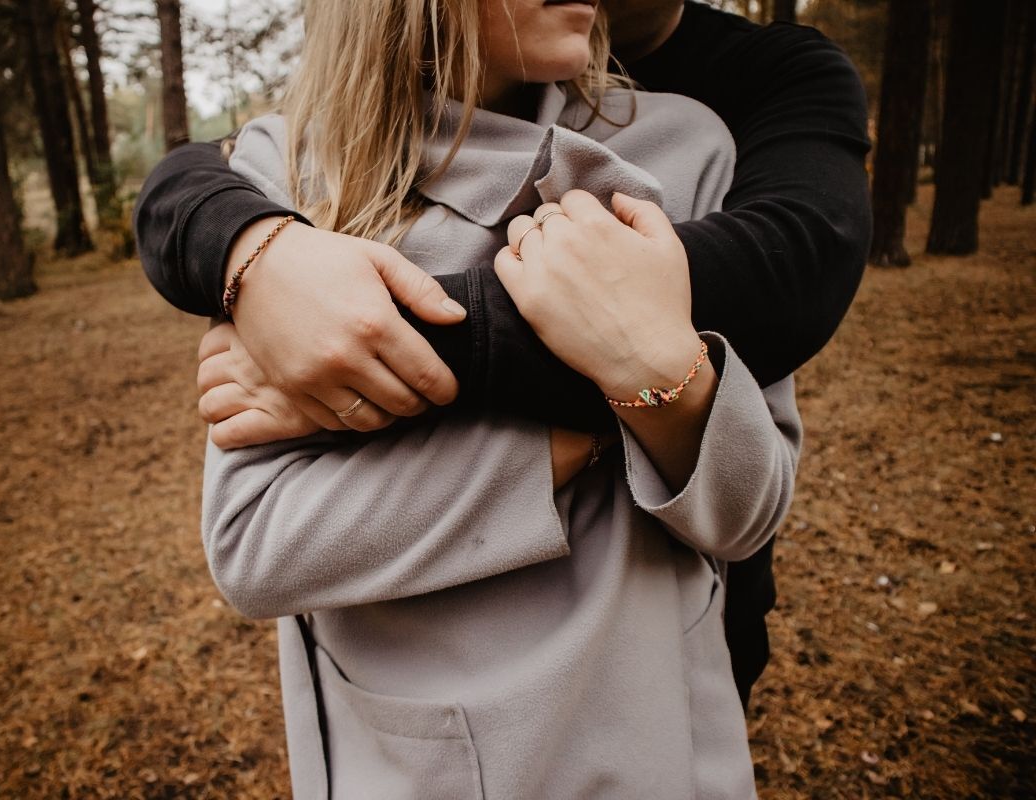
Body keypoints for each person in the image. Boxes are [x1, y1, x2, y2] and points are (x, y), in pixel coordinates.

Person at [134, 0, 871, 710]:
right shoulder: (287, 174)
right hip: (413, 756)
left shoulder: (691, 145)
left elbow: (750, 510)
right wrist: (600, 420)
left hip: (661, 730)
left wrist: (394, 357)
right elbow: (256, 547)